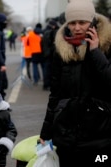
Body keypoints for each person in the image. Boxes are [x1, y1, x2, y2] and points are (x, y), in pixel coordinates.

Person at [39, 0, 111, 166]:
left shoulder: (107, 45)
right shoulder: (62, 50)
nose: (77, 28)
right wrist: (46, 131)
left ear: (92, 21)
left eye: (82, 22)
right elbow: (55, 94)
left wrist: (95, 52)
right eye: (72, 23)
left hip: (101, 138)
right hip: (67, 137)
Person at [41, 19, 59, 90]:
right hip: (51, 54)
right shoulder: (53, 33)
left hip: (45, 54)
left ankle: (45, 84)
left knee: (46, 69)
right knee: (52, 70)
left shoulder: (45, 32)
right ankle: (50, 84)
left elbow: (42, 44)